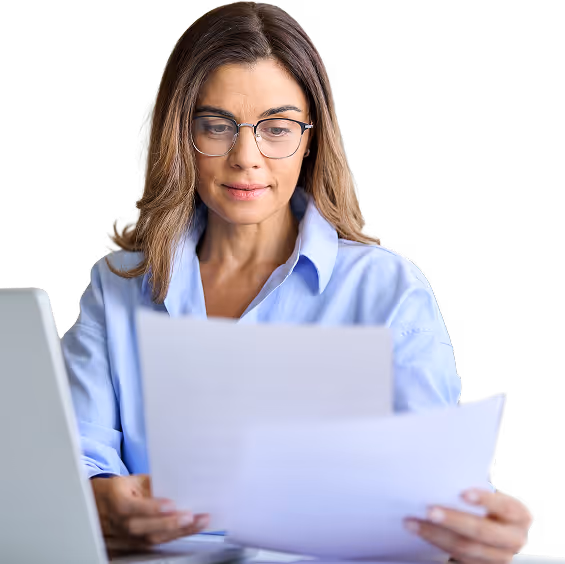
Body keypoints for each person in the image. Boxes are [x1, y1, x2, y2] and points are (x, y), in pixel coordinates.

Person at [61, 2, 535, 561]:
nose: (246, 158)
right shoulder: (118, 285)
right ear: (178, 134)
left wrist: (473, 533)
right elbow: (72, 458)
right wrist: (100, 501)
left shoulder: (387, 292)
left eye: (278, 128)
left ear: (311, 138)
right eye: (215, 126)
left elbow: (431, 496)